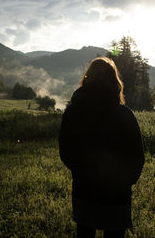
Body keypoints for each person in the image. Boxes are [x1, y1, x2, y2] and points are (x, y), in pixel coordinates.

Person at [59, 57, 145, 238]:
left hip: (84, 190)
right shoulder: (125, 115)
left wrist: (82, 172)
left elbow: (66, 151)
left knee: (84, 233)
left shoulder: (73, 112)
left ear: (87, 78)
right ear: (114, 81)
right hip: (117, 195)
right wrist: (126, 181)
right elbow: (137, 156)